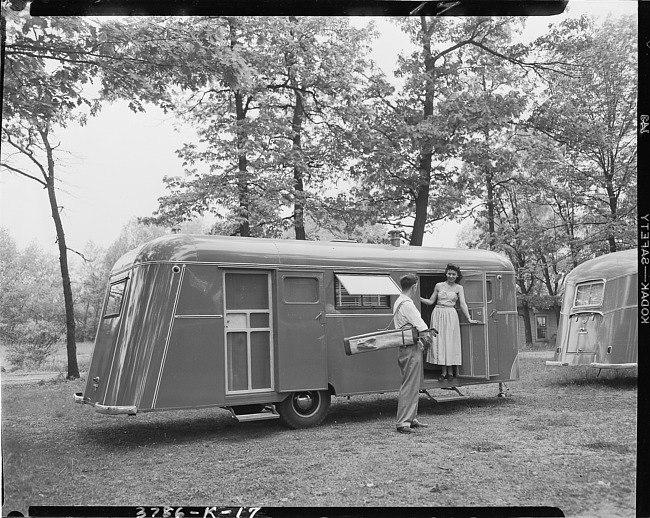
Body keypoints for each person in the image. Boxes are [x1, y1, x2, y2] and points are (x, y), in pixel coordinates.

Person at [420, 263, 480, 381]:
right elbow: (431, 301)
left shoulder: (459, 288)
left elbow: (462, 304)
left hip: (451, 315)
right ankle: (443, 372)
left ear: (457, 275)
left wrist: (469, 318)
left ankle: (451, 371)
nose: (451, 276)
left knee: (451, 341)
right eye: (449, 273)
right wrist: (418, 298)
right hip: (438, 314)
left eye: (453, 274)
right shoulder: (438, 286)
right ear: (446, 273)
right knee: (440, 342)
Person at [393, 273, 431, 434]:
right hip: (410, 346)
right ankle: (403, 422)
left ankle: (411, 417)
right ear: (414, 286)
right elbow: (422, 327)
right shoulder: (407, 304)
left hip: (404, 345)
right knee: (410, 384)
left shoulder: (399, 301)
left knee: (412, 383)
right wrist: (428, 342)